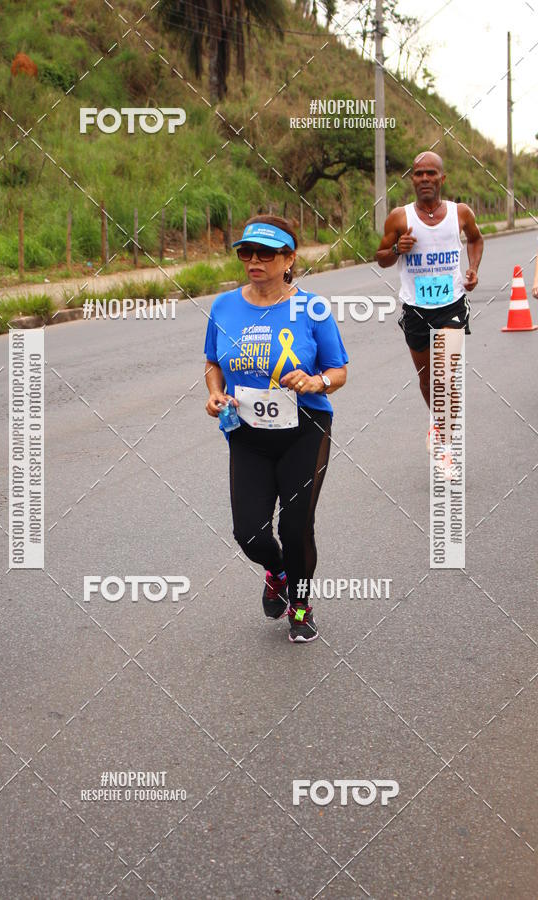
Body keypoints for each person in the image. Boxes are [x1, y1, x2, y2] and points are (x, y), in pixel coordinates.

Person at [203, 215, 348, 642]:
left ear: (289, 259)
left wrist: (314, 381)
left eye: (266, 253)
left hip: (305, 427)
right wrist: (216, 394)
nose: (254, 260)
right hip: (247, 432)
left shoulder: (312, 308)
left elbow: (338, 370)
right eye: (246, 252)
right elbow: (213, 362)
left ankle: (300, 605)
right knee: (249, 533)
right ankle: (278, 571)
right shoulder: (224, 306)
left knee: (295, 525)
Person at [376, 151, 483, 476]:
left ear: (442, 179)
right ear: (412, 179)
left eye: (431, 174)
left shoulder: (459, 213)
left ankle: (447, 448)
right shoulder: (399, 217)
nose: (424, 179)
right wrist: (397, 250)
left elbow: (476, 240)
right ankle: (438, 425)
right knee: (428, 379)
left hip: (451, 303)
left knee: (446, 376)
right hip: (416, 308)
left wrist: (473, 269)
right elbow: (380, 257)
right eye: (419, 173)